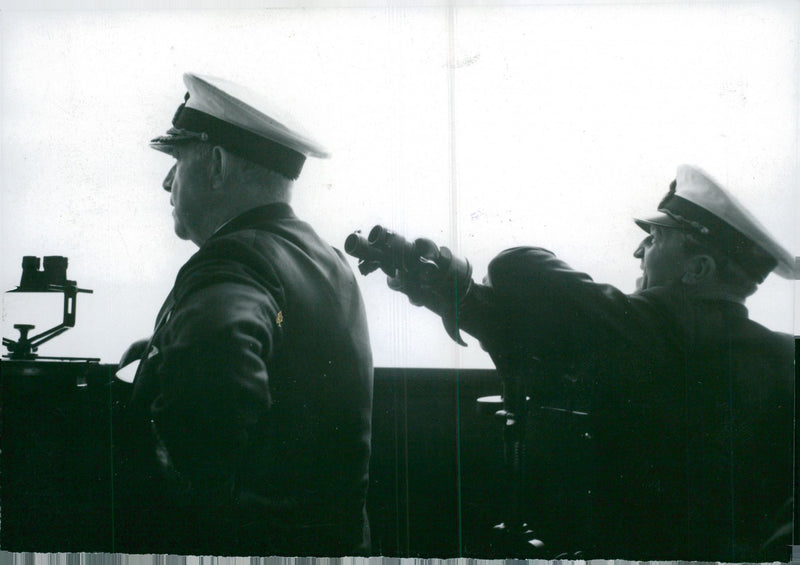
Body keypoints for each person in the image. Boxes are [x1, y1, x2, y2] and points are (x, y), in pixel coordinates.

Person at [385, 165, 795, 561]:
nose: (637, 251)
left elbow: (517, 267)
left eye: (653, 239)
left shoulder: (651, 332)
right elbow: (566, 348)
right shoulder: (775, 356)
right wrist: (460, 298)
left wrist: (466, 292)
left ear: (698, 269)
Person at [114, 73, 373, 557]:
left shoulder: (232, 260)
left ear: (215, 163)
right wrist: (163, 346)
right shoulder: (326, 259)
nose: (166, 181)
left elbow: (215, 364)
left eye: (177, 159)